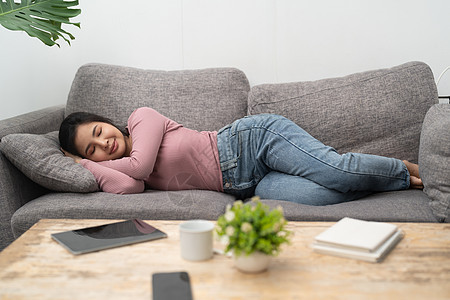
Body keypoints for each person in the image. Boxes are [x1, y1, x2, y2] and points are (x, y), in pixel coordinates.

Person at [59, 107, 423, 205]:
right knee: (327, 193)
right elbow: (128, 188)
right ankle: (395, 178)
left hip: (253, 141)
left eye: (98, 132)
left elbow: (139, 166)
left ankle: (408, 168)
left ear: (106, 122)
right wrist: (88, 166)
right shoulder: (120, 170)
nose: (103, 144)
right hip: (250, 185)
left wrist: (88, 160)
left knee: (339, 174)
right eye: (92, 149)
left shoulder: (141, 119)